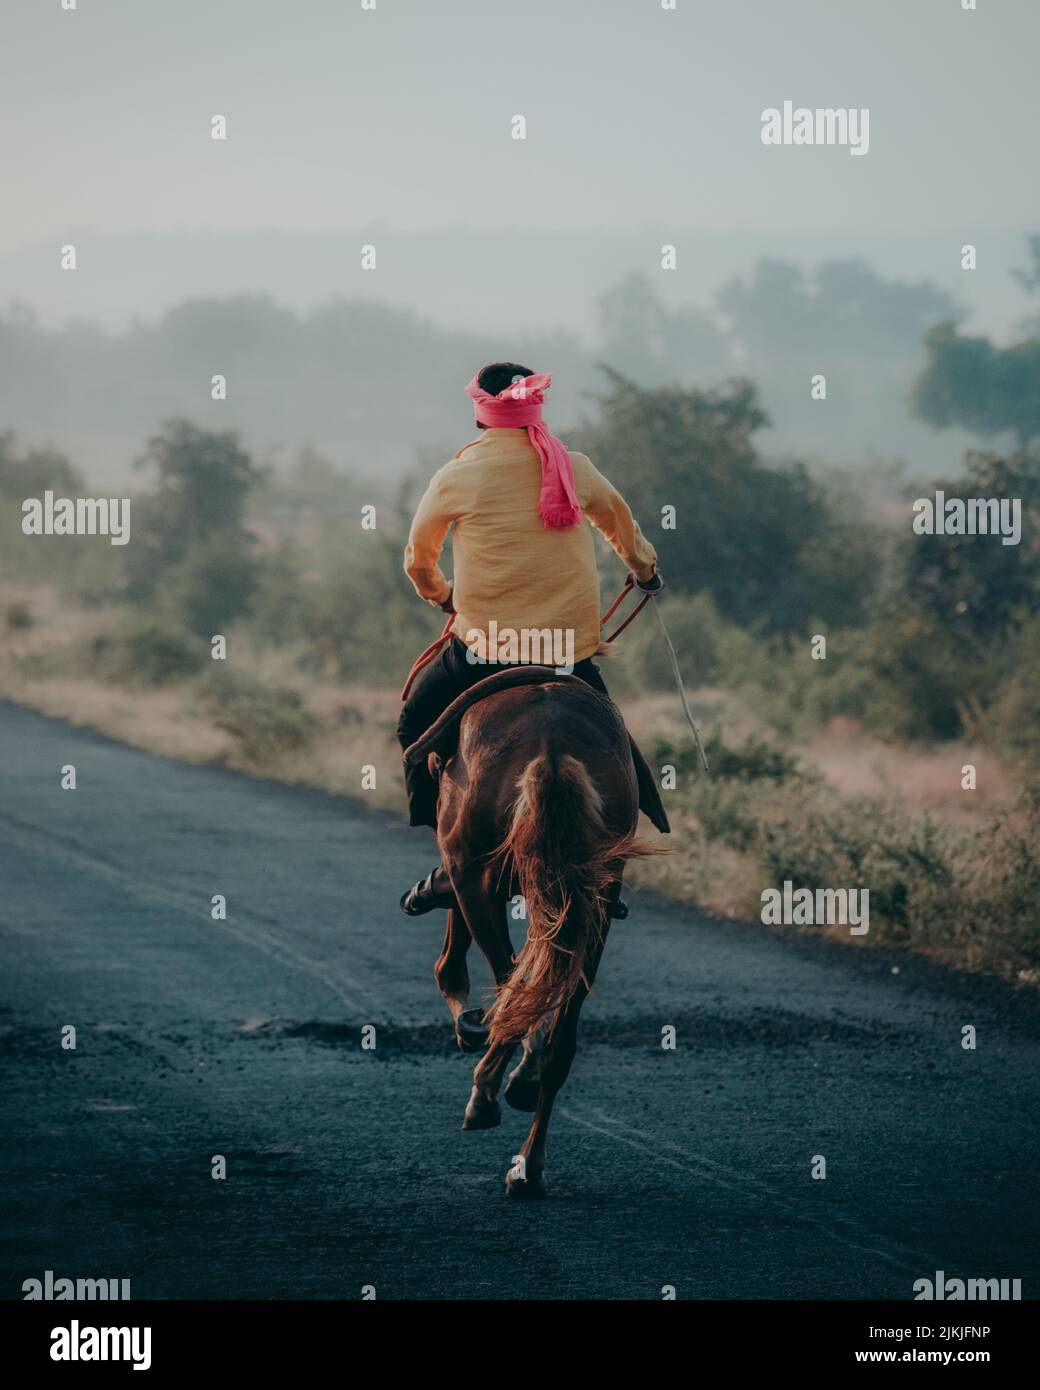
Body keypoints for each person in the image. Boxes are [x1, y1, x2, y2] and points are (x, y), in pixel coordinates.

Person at [397, 361, 668, 915]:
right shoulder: (573, 465)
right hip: (566, 656)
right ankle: (609, 862)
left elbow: (417, 561)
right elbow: (622, 527)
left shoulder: (456, 476)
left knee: (412, 725)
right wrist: (644, 572)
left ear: (480, 413)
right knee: (615, 744)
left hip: (481, 653)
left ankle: (452, 866)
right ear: (535, 409)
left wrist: (442, 597)